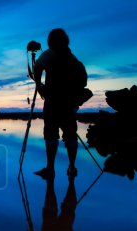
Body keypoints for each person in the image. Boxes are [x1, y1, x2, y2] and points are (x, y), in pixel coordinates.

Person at [33, 28, 87, 178]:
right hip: (69, 104)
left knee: (51, 135)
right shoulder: (72, 57)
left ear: (51, 41)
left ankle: (50, 169)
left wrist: (38, 85)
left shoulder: (50, 53)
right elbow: (83, 80)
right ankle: (72, 167)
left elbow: (37, 67)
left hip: (53, 102)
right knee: (70, 135)